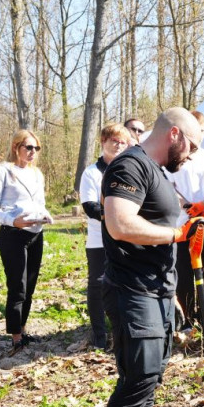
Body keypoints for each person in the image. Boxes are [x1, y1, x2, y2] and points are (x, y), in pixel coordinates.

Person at [95, 107, 203, 407]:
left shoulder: (157, 171)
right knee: (137, 378)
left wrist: (172, 292)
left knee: (151, 375)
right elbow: (119, 223)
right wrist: (177, 233)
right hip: (130, 291)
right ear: (174, 134)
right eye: (190, 145)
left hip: (156, 290)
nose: (190, 155)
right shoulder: (130, 165)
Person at [0, 130, 54, 350]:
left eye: (37, 148)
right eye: (29, 147)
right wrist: (11, 221)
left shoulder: (37, 174)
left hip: (36, 233)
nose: (33, 152)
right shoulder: (3, 170)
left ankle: (23, 329)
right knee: (18, 286)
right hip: (13, 235)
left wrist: (45, 215)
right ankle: (15, 336)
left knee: (30, 285)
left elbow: (39, 202)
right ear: (16, 147)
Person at [79, 123, 132, 349]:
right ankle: (99, 335)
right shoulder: (92, 173)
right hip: (99, 240)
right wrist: (116, 216)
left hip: (126, 238)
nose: (118, 145)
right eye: (114, 141)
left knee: (125, 284)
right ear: (103, 142)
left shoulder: (129, 169)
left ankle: (123, 332)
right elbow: (90, 207)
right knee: (98, 285)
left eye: (122, 142)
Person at [170, 110, 204, 333]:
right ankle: (188, 320)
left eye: (200, 129)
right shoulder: (175, 156)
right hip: (182, 225)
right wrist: (186, 205)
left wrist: (202, 205)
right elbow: (169, 186)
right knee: (184, 276)